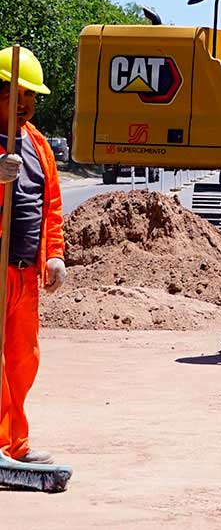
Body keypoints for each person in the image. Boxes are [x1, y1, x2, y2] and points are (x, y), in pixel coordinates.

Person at [0, 46, 67, 465]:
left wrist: (55, 254)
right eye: (15, 94)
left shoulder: (39, 144)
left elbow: (52, 206)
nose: (25, 104)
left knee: (22, 362)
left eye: (31, 96)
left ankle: (14, 444)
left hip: (26, 272)